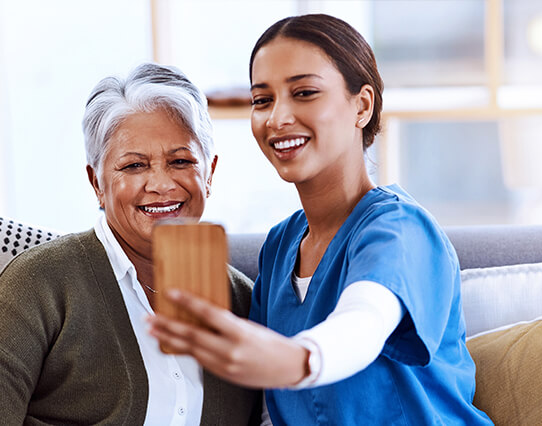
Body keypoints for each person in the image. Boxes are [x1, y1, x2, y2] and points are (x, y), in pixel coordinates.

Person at [148, 14, 493, 425]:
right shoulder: (279, 247)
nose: (277, 118)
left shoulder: (400, 229)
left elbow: (364, 322)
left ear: (361, 106)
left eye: (305, 92)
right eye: (262, 100)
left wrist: (296, 360)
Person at [0, 63, 260, 425]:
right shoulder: (39, 283)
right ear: (97, 184)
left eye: (180, 161)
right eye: (134, 166)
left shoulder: (245, 304)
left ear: (209, 173)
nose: (161, 184)